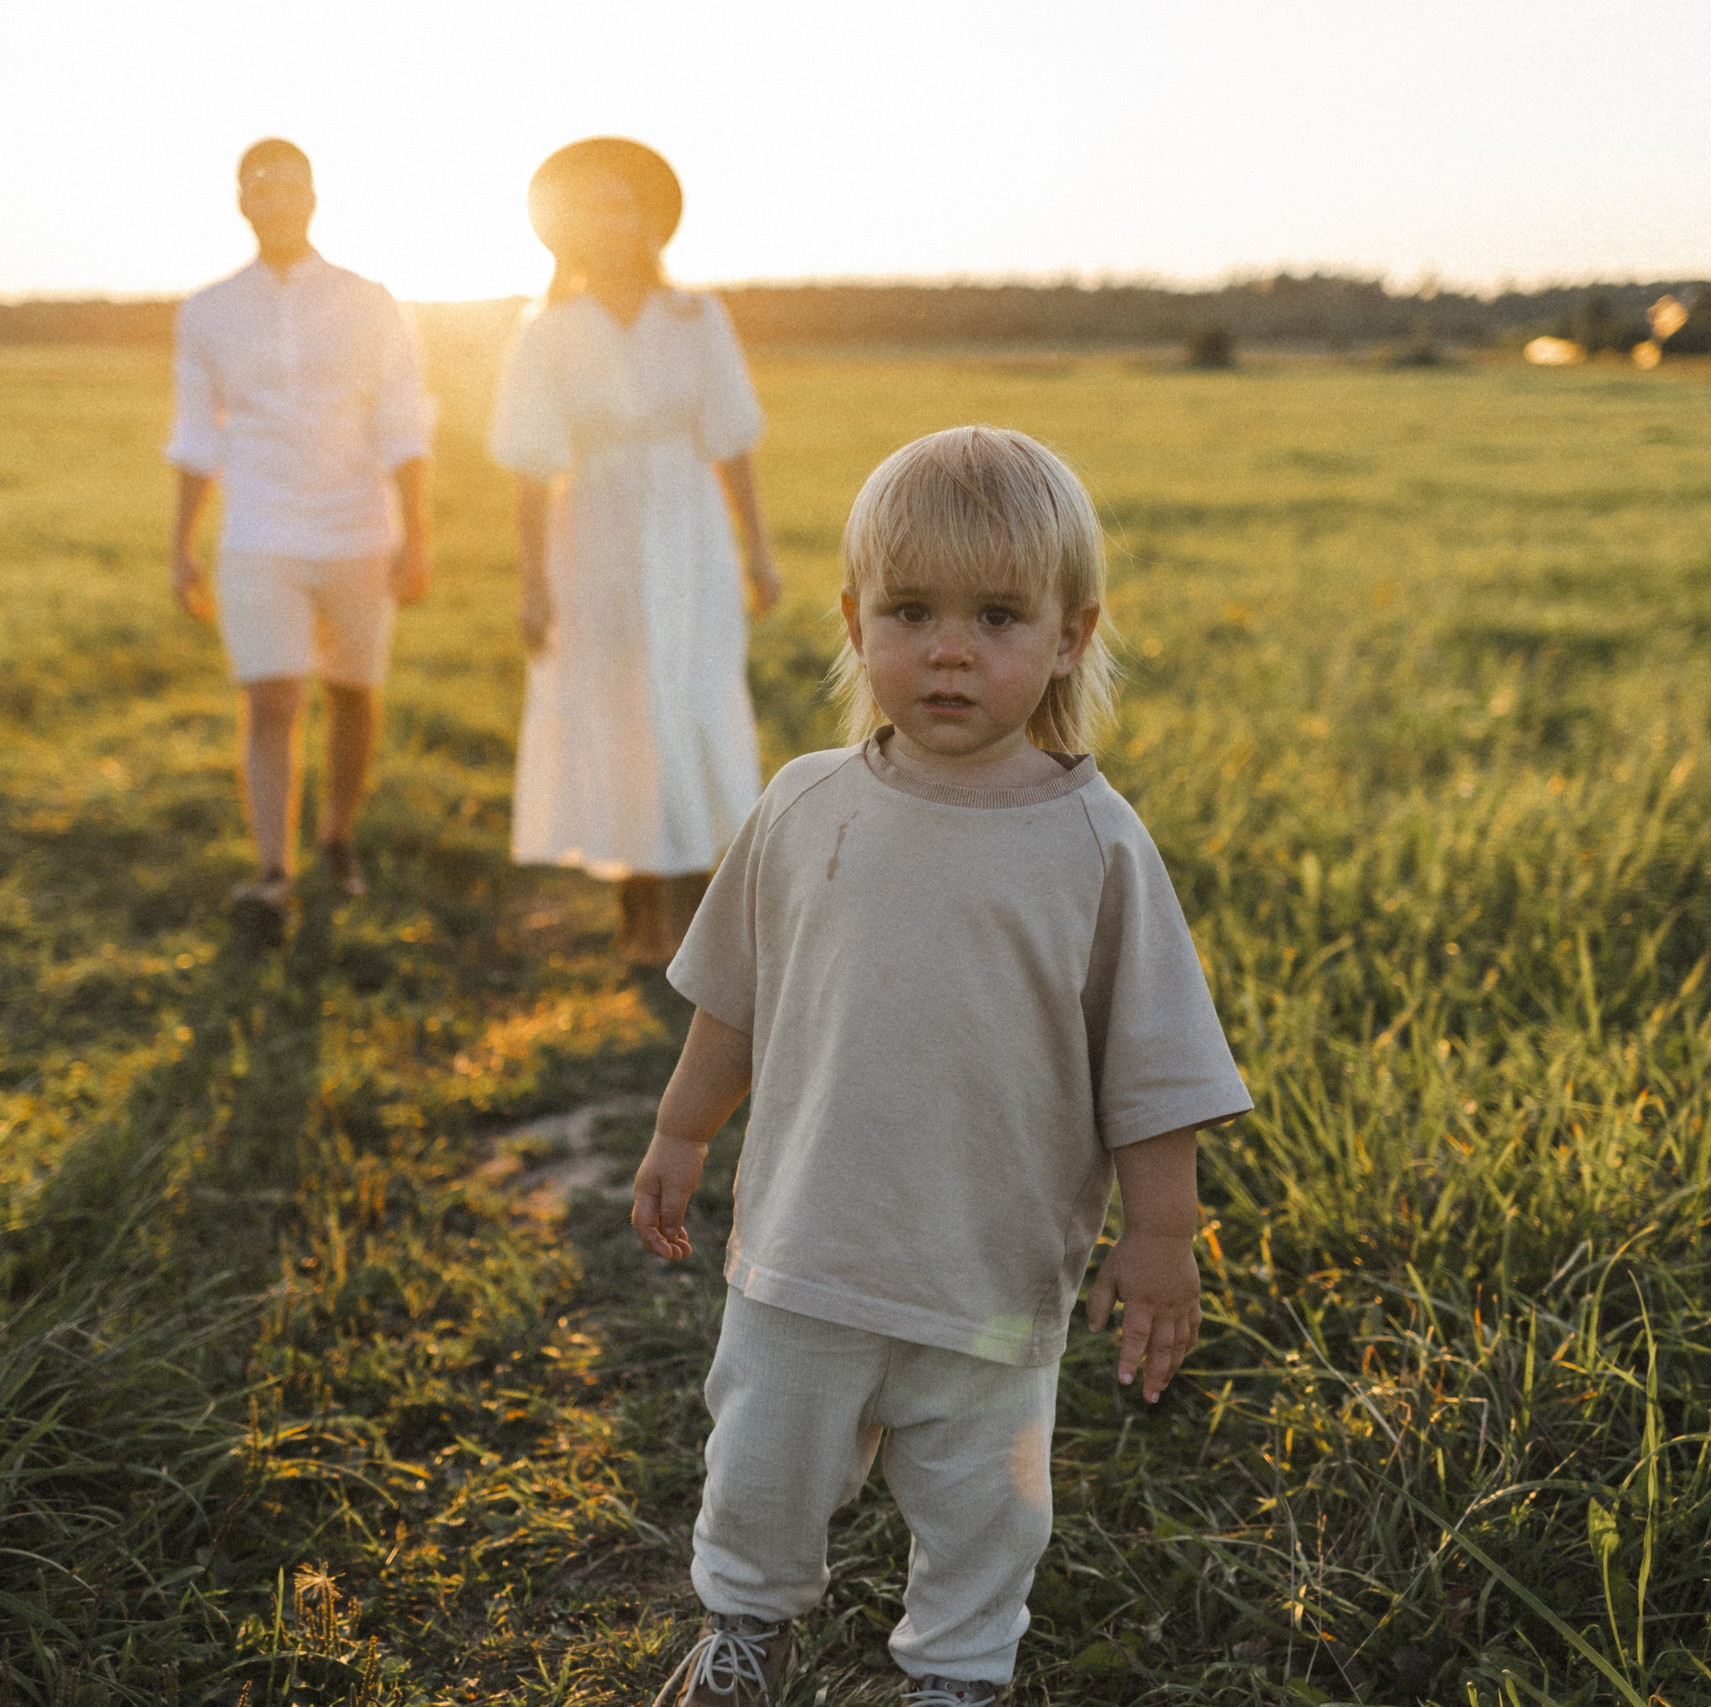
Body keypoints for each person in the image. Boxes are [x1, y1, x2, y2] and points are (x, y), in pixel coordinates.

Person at [627, 427, 1253, 1707]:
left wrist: (1162, 1240)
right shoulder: (805, 807)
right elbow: (733, 1003)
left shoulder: (1092, 843)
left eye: (997, 616)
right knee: (761, 1463)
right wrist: (681, 1136)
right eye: (912, 612)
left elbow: (1153, 1071)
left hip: (988, 1273)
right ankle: (745, 1630)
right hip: (807, 1250)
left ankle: (958, 1675)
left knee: (986, 1505)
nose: (950, 648)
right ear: (856, 623)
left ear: (1072, 634)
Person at [488, 137, 781, 966]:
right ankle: (639, 911)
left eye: (622, 205)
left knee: (689, 699)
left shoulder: (698, 318)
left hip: (688, 531)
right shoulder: (548, 331)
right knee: (621, 710)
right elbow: (530, 467)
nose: (608, 223)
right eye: (590, 209)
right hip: (598, 535)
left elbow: (733, 444)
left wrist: (759, 552)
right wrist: (534, 583)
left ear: (649, 220)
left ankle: (695, 915)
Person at [165, 137, 436, 930]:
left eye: (292, 188)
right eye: (262, 189)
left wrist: (416, 533)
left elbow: (403, 421)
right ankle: (273, 870)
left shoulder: (369, 299)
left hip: (358, 527)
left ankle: (338, 835)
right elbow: (194, 435)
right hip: (258, 529)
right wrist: (181, 544)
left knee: (353, 692)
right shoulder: (208, 311)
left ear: (313, 198)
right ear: (241, 202)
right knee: (274, 693)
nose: (278, 202)